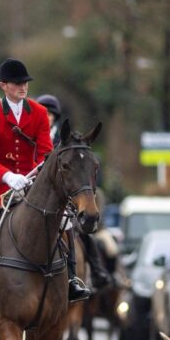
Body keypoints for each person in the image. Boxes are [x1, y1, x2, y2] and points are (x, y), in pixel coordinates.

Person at [0, 58, 91, 308]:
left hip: (30, 185)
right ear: (3, 86)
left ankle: (71, 278)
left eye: (25, 83)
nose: (23, 87)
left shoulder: (38, 112)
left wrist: (34, 176)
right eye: (17, 83)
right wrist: (7, 176)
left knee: (65, 221)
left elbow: (46, 153)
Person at [37, 93, 111, 291]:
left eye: (51, 113)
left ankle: (86, 274)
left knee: (82, 233)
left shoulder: (65, 140)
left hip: (67, 196)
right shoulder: (33, 134)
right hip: (36, 191)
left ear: (56, 117)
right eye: (44, 113)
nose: (48, 116)